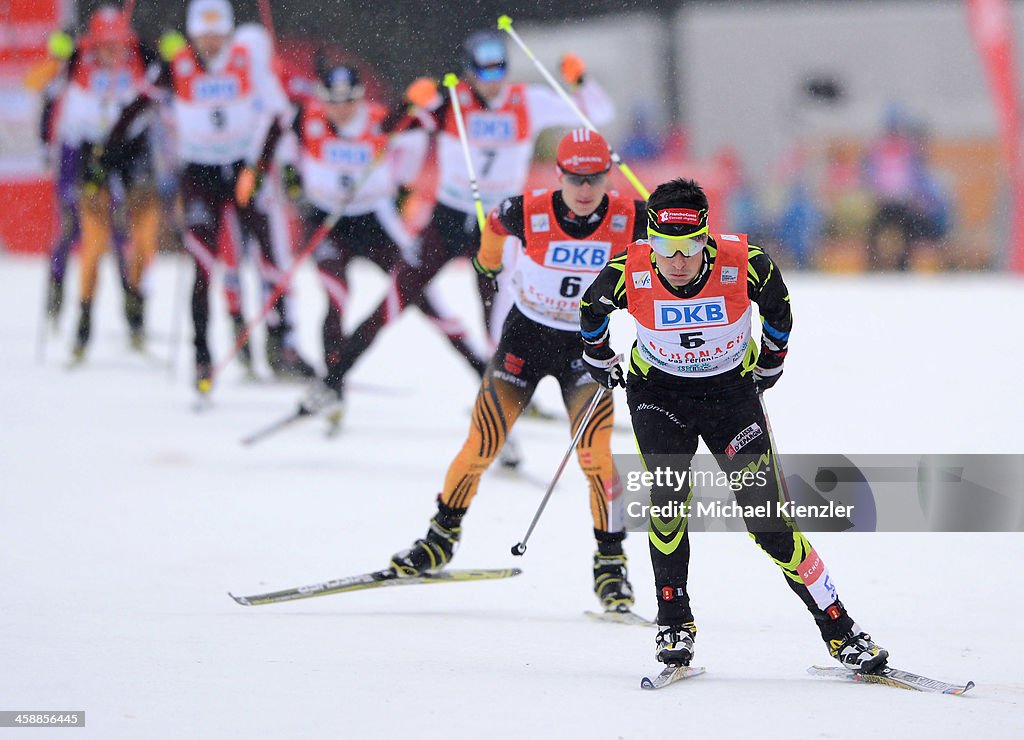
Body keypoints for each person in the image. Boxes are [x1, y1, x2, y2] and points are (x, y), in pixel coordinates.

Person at [579, 178, 889, 670]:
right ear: (650, 241)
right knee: (667, 501)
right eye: (665, 248)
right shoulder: (629, 269)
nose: (678, 261)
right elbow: (591, 311)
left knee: (768, 521)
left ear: (706, 238)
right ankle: (674, 622)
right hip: (659, 397)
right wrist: (598, 359)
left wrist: (770, 363)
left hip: (730, 398)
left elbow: (779, 310)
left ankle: (840, 628)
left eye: (689, 248)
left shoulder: (746, 263)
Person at [388, 130, 647, 614]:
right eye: (575, 178)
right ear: (560, 174)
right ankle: (440, 537)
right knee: (482, 445)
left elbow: (685, 243)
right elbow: (494, 223)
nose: (585, 189)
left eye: (594, 179)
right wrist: (487, 265)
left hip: (586, 350)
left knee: (595, 458)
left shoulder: (631, 216)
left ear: (607, 176)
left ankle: (610, 565)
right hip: (525, 340)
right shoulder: (526, 210)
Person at [303, 31, 614, 415]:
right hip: (448, 219)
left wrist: (580, 81)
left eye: (498, 67)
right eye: (482, 70)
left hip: (501, 221)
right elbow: (389, 132)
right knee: (397, 298)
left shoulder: (527, 102)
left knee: (501, 310)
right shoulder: (450, 101)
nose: (491, 78)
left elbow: (597, 113)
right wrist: (409, 102)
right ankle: (333, 381)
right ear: (468, 71)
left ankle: (508, 392)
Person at [106, 0, 315, 389]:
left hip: (242, 169)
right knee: (203, 265)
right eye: (204, 33)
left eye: (218, 32)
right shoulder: (178, 65)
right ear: (192, 33)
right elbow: (137, 104)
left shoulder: (246, 59)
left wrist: (258, 167)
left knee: (270, 257)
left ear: (229, 32)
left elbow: (279, 114)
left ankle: (281, 344)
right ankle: (202, 354)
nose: (211, 41)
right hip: (199, 174)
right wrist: (108, 150)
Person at [288, 62, 427, 423]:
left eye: (349, 100)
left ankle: (484, 370)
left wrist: (402, 185)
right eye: (334, 101)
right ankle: (334, 389)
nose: (342, 108)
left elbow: (417, 139)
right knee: (336, 297)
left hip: (372, 220)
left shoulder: (379, 119)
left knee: (420, 292)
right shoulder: (307, 119)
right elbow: (285, 153)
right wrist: (296, 189)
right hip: (326, 220)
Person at [55, 6, 160, 359]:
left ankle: (136, 306)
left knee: (143, 238)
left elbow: (163, 90)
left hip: (133, 151)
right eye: (104, 44)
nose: (111, 52)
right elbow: (66, 113)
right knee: (94, 241)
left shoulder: (142, 55)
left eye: (117, 44)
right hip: (95, 152)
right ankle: (83, 323)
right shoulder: (79, 60)